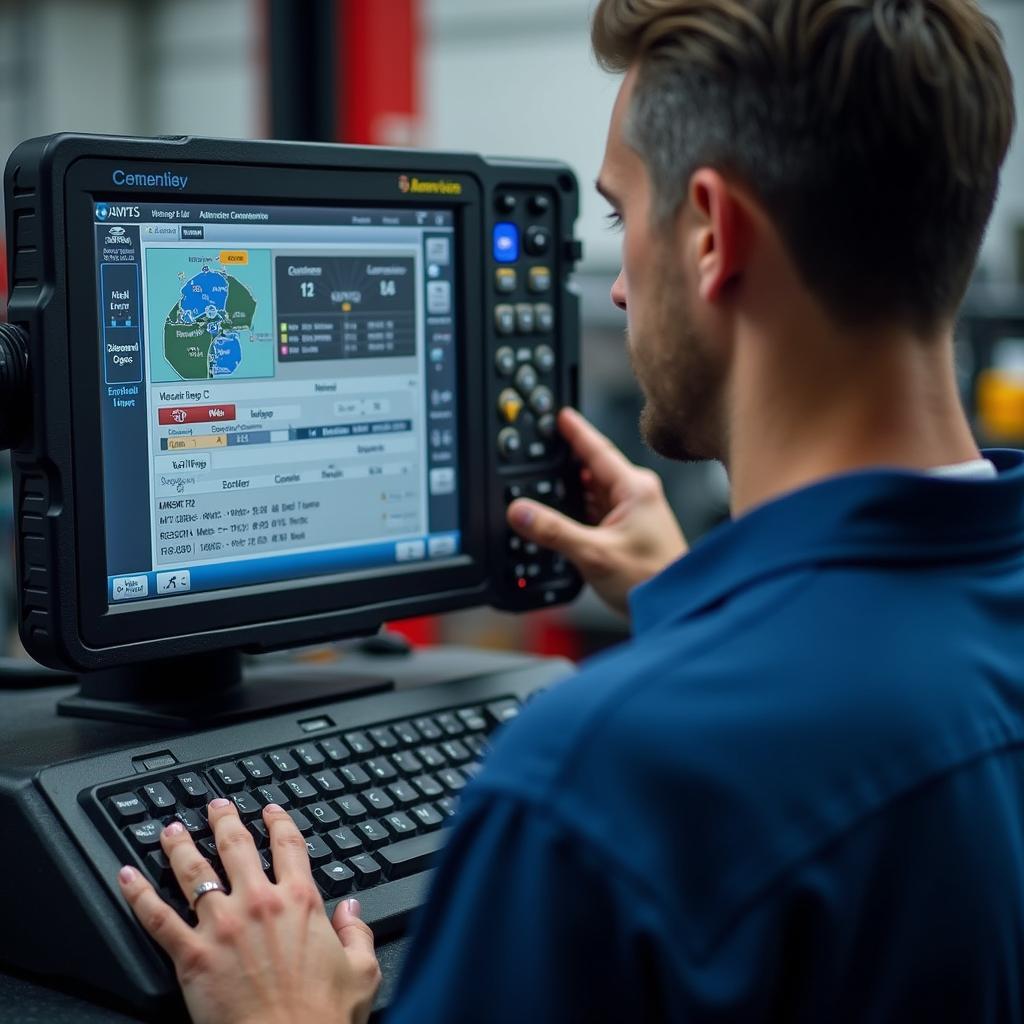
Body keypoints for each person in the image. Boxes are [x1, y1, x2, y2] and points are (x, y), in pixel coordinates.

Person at [116, 0, 1022, 1020]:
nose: (621, 289)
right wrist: (697, 603)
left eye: (618, 215)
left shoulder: (599, 780)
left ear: (712, 233)